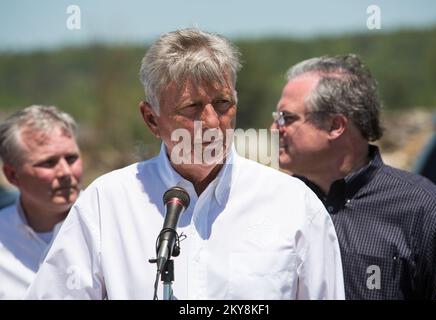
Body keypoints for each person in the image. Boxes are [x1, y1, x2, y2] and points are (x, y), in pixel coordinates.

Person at [26, 29, 344, 300]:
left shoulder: (295, 205)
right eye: (191, 108)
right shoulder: (105, 205)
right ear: (152, 119)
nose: (211, 122)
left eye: (223, 104)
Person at [271, 54, 436, 300]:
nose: (274, 130)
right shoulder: (272, 205)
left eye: (286, 118)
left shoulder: (426, 212)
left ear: (336, 126)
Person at [0, 105, 83, 299]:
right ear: (12, 175)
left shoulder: (111, 221)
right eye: (48, 163)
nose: (65, 172)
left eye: (71, 158)